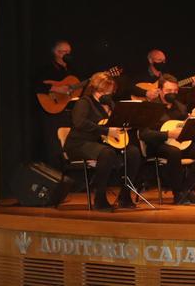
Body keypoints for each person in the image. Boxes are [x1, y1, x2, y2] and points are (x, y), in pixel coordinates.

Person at [65, 72, 142, 211]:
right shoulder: (84, 102)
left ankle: (125, 196)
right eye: (103, 91)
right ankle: (100, 198)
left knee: (133, 152)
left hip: (101, 143)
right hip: (79, 143)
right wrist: (106, 131)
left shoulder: (110, 104)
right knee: (107, 153)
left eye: (110, 91)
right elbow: (79, 123)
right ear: (94, 89)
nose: (107, 94)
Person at [138, 74, 195, 205]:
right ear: (160, 90)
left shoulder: (180, 107)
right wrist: (167, 134)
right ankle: (178, 193)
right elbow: (144, 134)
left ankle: (186, 189)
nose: (172, 93)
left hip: (179, 143)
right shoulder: (150, 107)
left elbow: (184, 129)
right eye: (168, 91)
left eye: (175, 91)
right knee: (174, 152)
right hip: (158, 145)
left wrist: (190, 125)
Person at [34, 39, 76, 169]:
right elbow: (36, 85)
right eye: (64, 52)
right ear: (56, 53)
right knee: (53, 145)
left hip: (66, 112)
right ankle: (55, 174)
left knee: (68, 144)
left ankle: (70, 176)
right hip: (51, 112)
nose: (68, 55)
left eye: (69, 52)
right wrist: (55, 89)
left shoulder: (70, 70)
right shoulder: (46, 69)